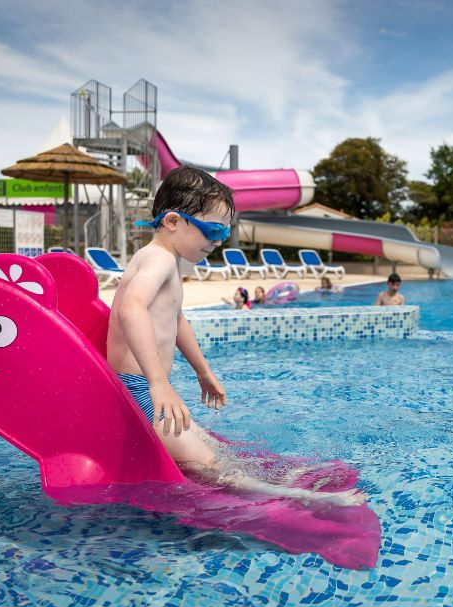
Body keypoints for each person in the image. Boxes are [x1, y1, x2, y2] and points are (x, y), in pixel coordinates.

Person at [107, 166, 361, 506]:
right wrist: (158, 383)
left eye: (224, 234)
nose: (217, 241)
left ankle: (285, 478)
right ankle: (297, 498)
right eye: (212, 230)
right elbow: (131, 308)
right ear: (172, 222)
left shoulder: (168, 261)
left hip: (146, 389)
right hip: (140, 391)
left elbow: (176, 320)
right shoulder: (158, 261)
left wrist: (202, 370)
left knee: (216, 448)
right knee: (209, 467)